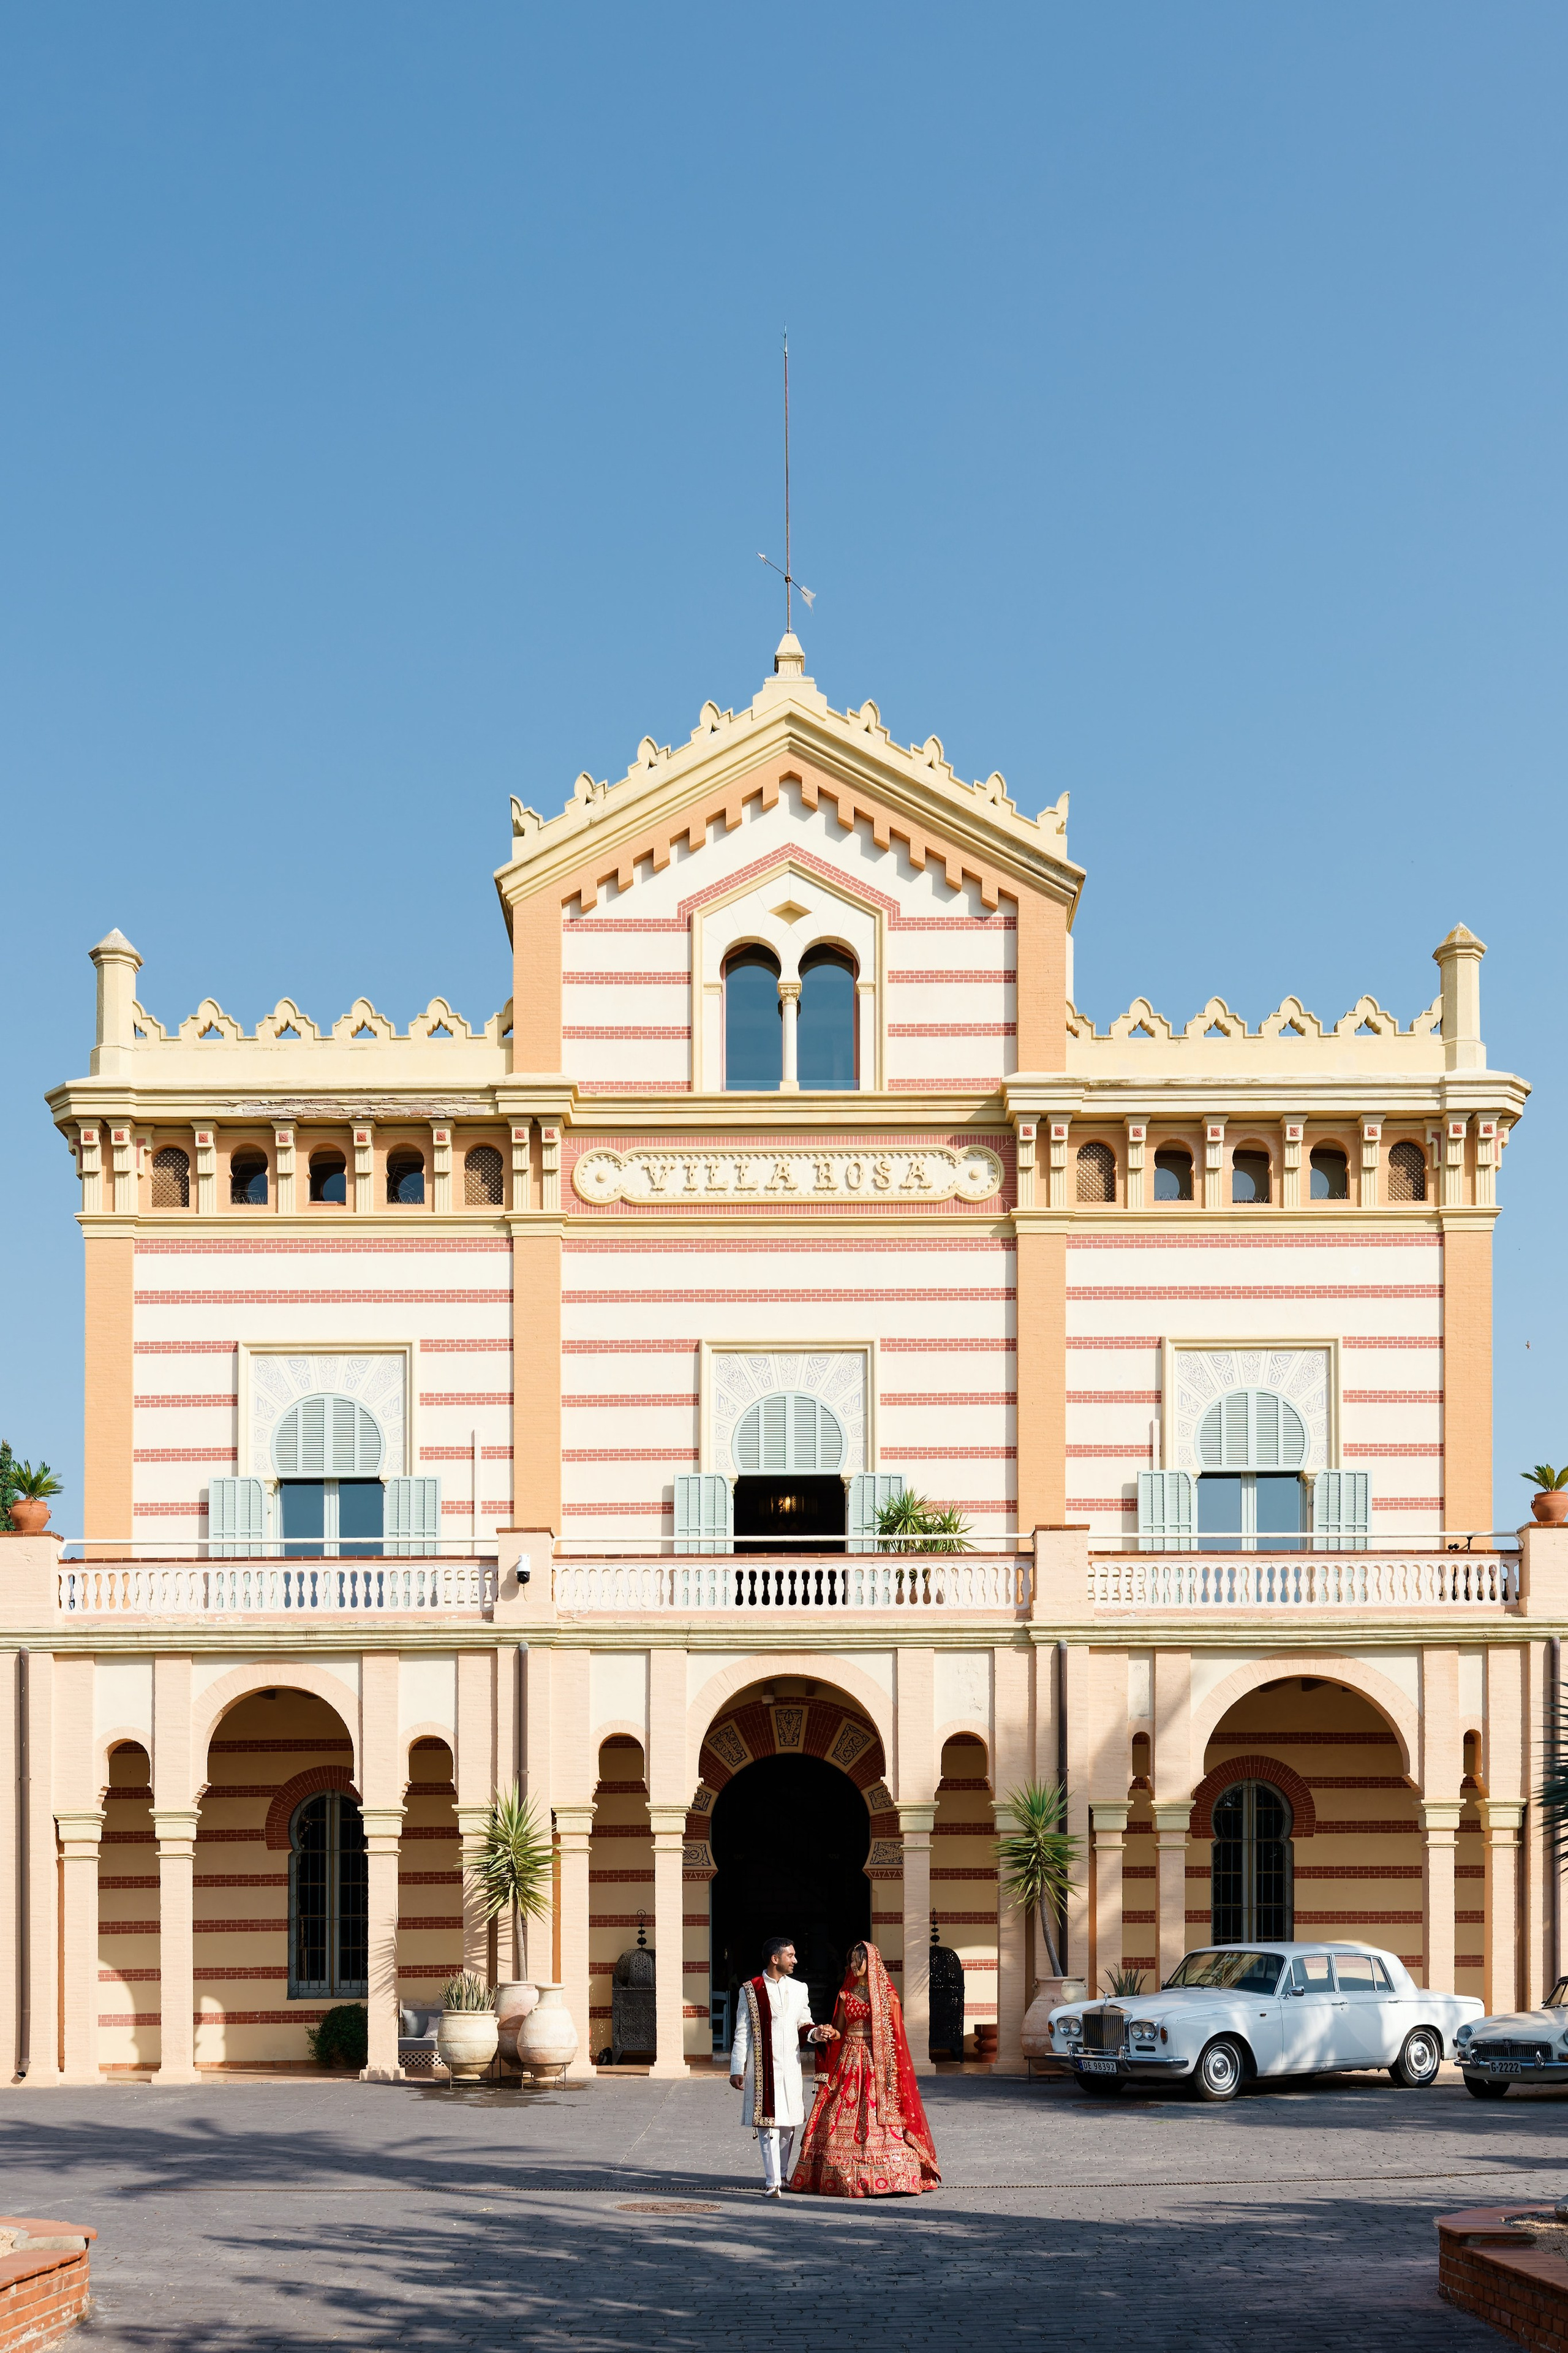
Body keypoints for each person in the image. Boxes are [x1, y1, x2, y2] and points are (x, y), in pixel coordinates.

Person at [788, 1940, 941, 2197]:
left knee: (879, 2113)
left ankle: (893, 2174)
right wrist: (829, 2032)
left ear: (872, 1963)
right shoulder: (845, 1995)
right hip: (849, 2059)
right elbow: (840, 2030)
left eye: (858, 1960)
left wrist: (892, 2071)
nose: (854, 1965)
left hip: (876, 2061)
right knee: (837, 2110)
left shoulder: (888, 1998)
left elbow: (895, 2037)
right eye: (851, 1961)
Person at [729, 1936, 838, 2197]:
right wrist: (737, 2067)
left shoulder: (800, 1988)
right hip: (762, 2067)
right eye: (791, 1955)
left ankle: (784, 2175)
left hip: (791, 2065)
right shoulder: (750, 1989)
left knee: (788, 2123)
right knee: (768, 2123)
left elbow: (804, 2025)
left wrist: (817, 2033)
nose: (795, 1960)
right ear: (775, 1959)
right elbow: (742, 2032)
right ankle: (771, 2181)